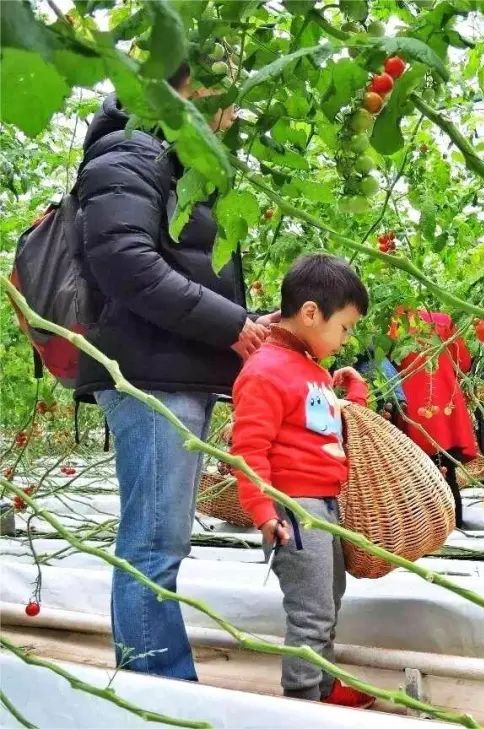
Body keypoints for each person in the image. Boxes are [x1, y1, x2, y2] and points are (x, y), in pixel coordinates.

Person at [76, 61, 276, 680]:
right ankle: (158, 688)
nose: (232, 114)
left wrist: (244, 320)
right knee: (153, 545)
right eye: (226, 96)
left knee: (161, 542)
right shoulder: (129, 154)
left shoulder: (174, 168)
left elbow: (174, 268)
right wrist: (234, 326)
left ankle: (157, 680)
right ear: (183, 89)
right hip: (148, 377)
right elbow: (127, 263)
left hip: (171, 370)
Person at [231, 254, 374, 708]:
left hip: (324, 505)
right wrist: (263, 512)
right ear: (311, 312)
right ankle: (300, 703)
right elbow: (248, 450)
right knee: (310, 613)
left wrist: (352, 392)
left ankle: (324, 687)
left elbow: (325, 428)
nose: (347, 338)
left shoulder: (311, 369)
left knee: (328, 602)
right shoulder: (264, 370)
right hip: (294, 508)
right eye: (346, 327)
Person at [395, 310, 479, 527]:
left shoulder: (393, 321)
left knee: (413, 472)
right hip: (443, 399)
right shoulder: (443, 320)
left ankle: (421, 529)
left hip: (411, 400)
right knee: (445, 469)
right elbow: (463, 363)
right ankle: (453, 523)